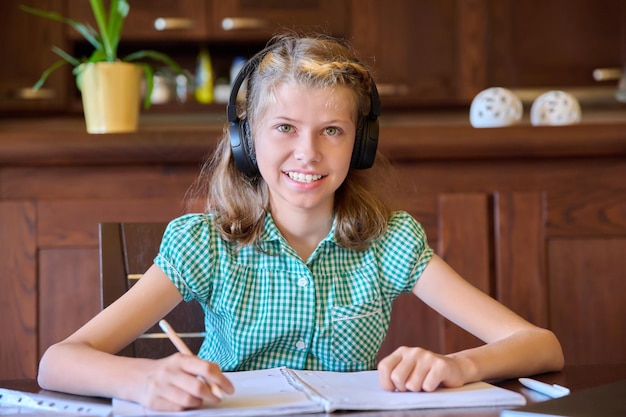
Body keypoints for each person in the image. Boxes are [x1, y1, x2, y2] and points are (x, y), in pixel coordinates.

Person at [37, 33, 564, 411]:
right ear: (247, 141)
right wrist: (142, 379)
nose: (307, 153)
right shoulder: (205, 244)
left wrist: (459, 367)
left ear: (360, 143)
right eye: (285, 127)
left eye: (332, 130)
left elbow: (542, 345)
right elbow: (57, 363)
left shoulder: (391, 242)